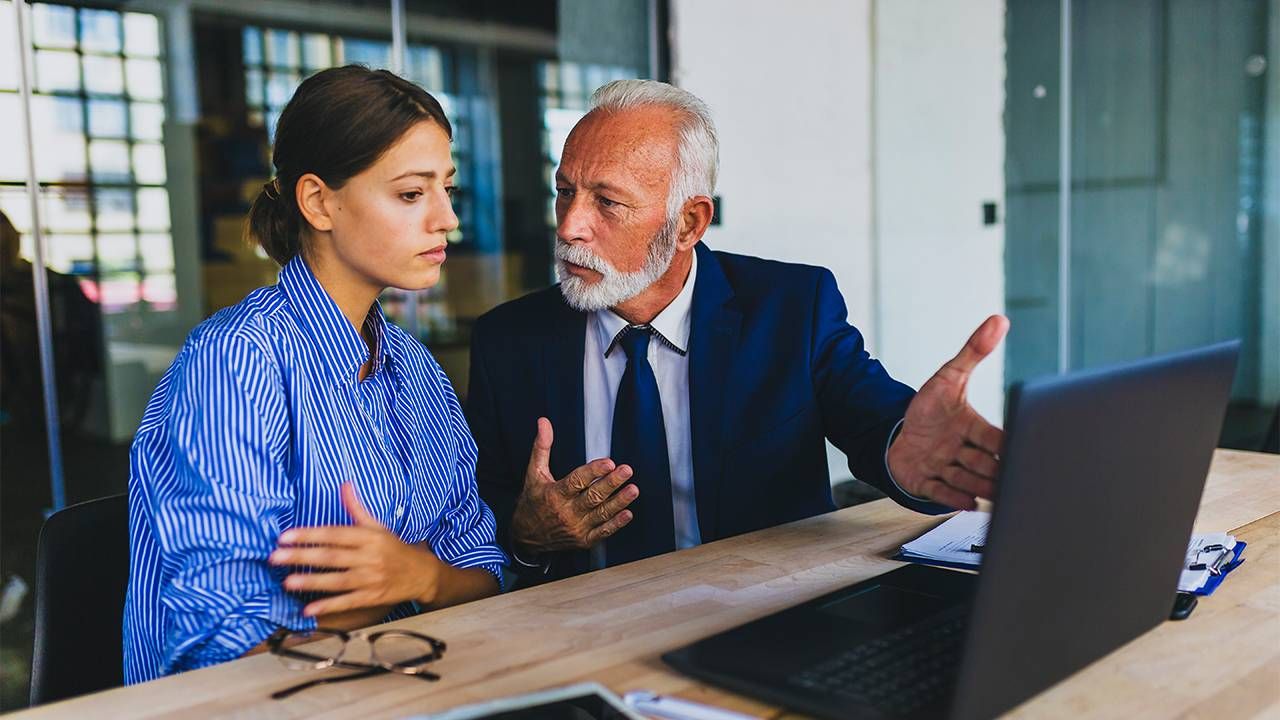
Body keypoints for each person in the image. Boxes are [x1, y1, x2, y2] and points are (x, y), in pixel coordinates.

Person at [467, 80, 1007, 585]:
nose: (568, 226)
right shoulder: (508, 342)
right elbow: (479, 520)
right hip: (580, 633)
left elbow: (876, 423)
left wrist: (906, 452)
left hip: (762, 620)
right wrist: (526, 535)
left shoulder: (793, 308)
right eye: (565, 192)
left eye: (606, 201)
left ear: (689, 223)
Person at [123, 66, 506, 683]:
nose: (446, 221)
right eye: (412, 194)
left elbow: (482, 571)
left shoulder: (414, 367)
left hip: (409, 689)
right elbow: (215, 650)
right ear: (318, 202)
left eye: (448, 191)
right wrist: (368, 607)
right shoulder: (236, 363)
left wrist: (423, 577)